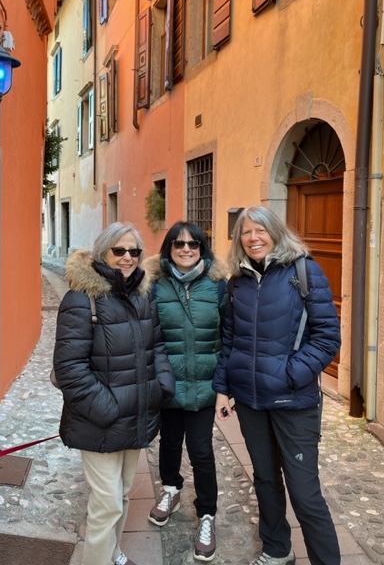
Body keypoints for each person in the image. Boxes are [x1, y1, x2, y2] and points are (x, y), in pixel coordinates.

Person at [213, 205, 341, 565]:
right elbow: (231, 338)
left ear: (275, 232)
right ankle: (277, 549)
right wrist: (223, 388)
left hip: (293, 402)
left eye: (260, 230)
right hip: (250, 401)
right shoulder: (237, 281)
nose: (253, 238)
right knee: (266, 480)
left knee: (304, 493)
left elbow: (328, 337)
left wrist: (290, 374)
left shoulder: (304, 271)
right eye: (246, 232)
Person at [53, 222, 175, 565]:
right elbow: (70, 369)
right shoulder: (81, 299)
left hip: (136, 414)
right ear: (102, 253)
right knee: (106, 504)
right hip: (100, 419)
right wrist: (109, 408)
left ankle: (113, 553)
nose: (127, 257)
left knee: (121, 496)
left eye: (134, 251)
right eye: (119, 250)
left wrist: (162, 386)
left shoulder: (143, 295)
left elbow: (157, 346)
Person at [144, 221, 227, 562]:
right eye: (179, 244)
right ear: (169, 249)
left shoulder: (218, 285)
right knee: (168, 443)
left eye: (193, 244)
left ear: (202, 249)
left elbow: (229, 336)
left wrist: (224, 387)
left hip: (205, 384)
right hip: (168, 382)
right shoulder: (154, 285)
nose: (186, 249)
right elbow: (147, 333)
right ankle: (171, 489)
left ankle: (206, 514)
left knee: (201, 450)